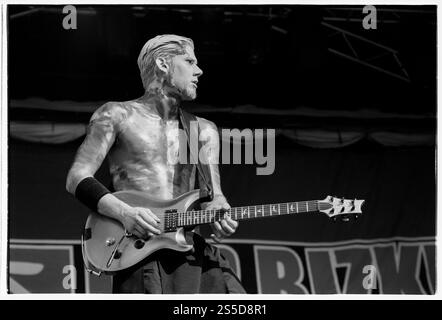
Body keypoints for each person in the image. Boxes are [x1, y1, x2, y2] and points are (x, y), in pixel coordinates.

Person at [66, 34, 246, 293]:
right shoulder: (116, 114)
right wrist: (126, 213)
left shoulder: (204, 130)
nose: (199, 70)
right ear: (163, 64)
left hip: (188, 249)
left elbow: (213, 197)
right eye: (190, 61)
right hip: (139, 248)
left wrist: (220, 211)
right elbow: (76, 178)